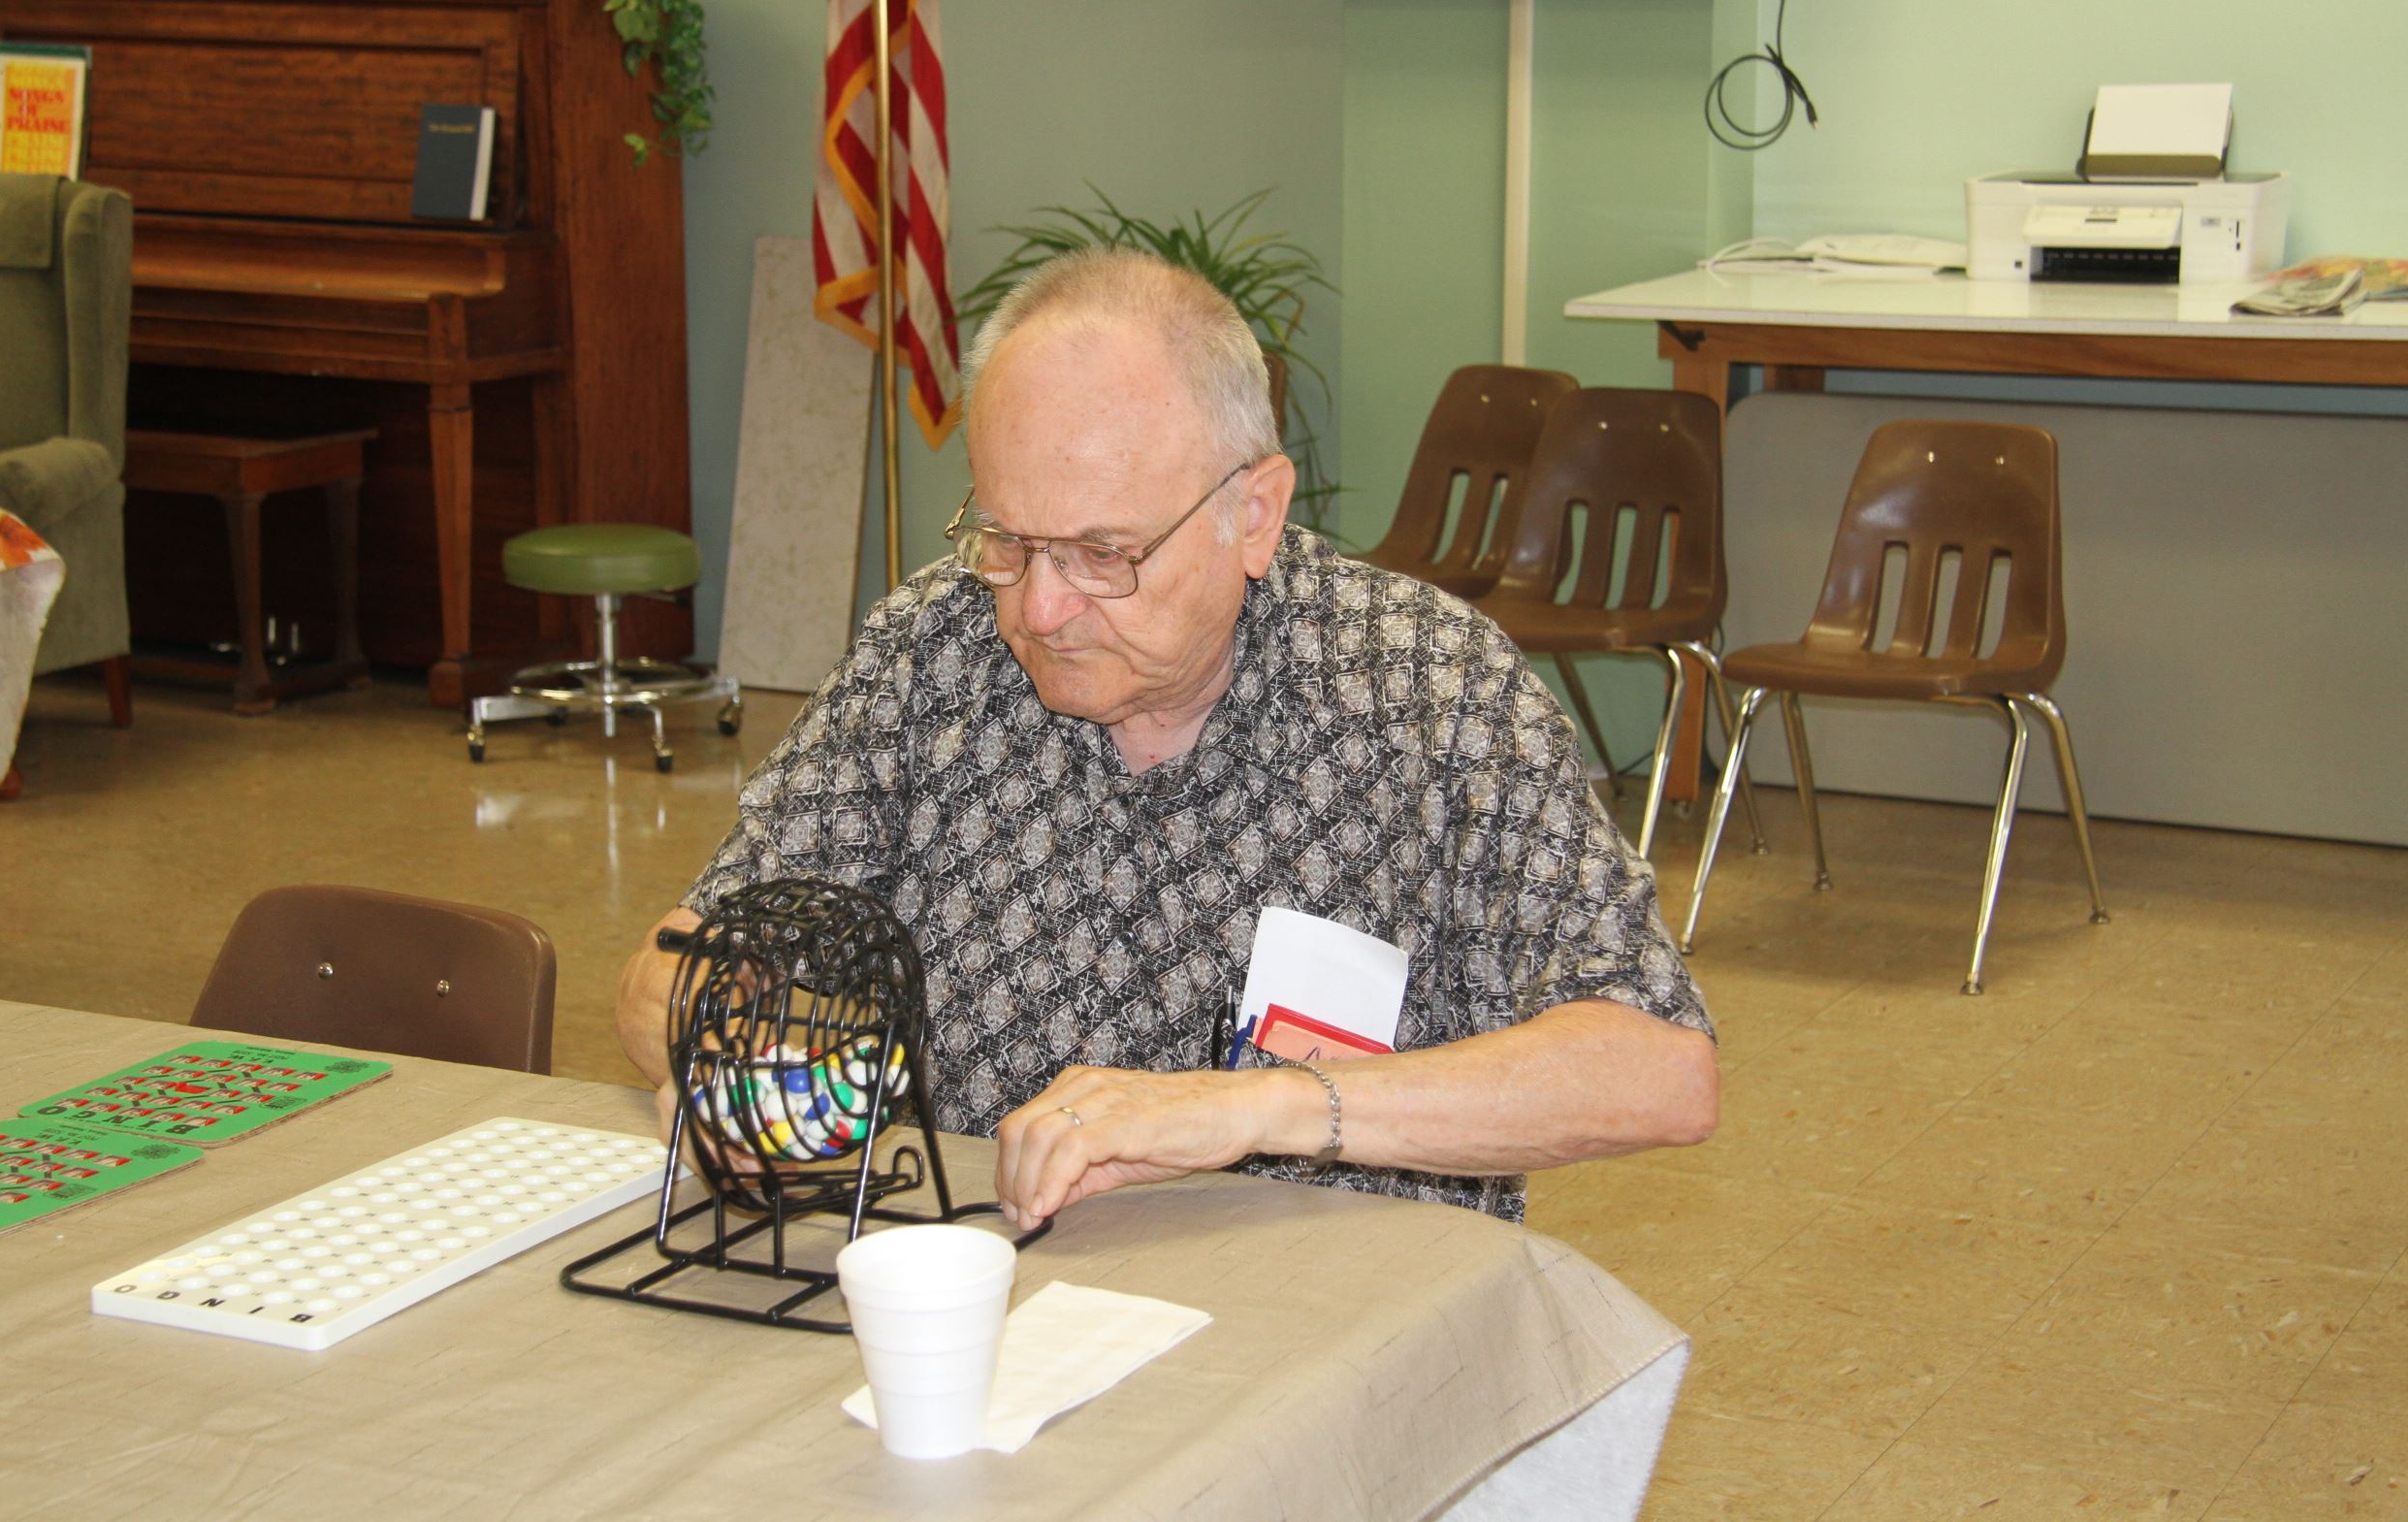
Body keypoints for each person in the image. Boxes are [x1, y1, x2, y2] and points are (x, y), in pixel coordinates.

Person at [618, 248, 1717, 1229]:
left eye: (1105, 554)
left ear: (1256, 514)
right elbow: (681, 961)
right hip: (995, 1296)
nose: (1038, 610)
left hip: (1324, 1325)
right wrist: (731, 1066)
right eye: (1006, 539)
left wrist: (1260, 1107)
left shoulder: (1426, 691)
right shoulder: (935, 649)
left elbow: (1656, 1069)